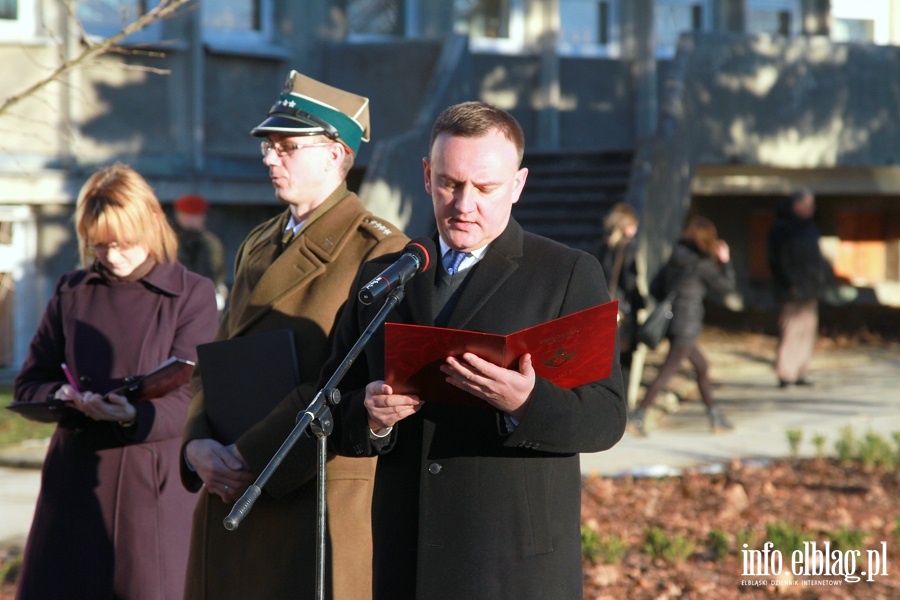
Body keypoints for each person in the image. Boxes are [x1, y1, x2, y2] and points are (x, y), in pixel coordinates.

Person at [317, 101, 626, 599]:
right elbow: (331, 404)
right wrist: (371, 416)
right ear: (426, 174)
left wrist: (525, 403)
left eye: (485, 189)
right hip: (408, 554)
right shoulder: (384, 276)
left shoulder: (566, 274)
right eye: (449, 183)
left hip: (510, 561)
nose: (463, 204)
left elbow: (606, 417)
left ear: (518, 185)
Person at [180, 70, 407, 600]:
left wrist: (246, 458)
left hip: (306, 490)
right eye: (268, 146)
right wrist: (197, 446)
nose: (268, 157)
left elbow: (356, 384)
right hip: (230, 484)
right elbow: (215, 358)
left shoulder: (377, 249)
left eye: (286, 146)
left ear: (335, 153)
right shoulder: (259, 242)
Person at [13, 164, 219, 599]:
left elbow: (196, 393)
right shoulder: (72, 291)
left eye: (125, 243)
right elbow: (31, 382)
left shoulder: (191, 293)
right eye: (101, 245)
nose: (114, 256)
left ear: (151, 227)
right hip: (77, 479)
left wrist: (135, 413)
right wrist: (61, 395)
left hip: (153, 482)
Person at [629, 216, 736, 436]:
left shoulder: (676, 256)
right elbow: (726, 288)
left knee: (701, 367)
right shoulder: (703, 264)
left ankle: (715, 416)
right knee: (667, 372)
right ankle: (638, 416)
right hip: (686, 324)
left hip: (673, 321)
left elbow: (656, 287)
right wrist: (725, 261)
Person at [767, 189, 829, 388]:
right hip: (791, 290)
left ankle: (802, 371)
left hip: (811, 289)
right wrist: (789, 283)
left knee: (808, 331)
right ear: (797, 206)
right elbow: (776, 261)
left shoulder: (811, 227)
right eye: (809, 204)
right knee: (791, 331)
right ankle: (786, 374)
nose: (813, 208)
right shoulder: (781, 228)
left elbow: (817, 258)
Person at [594, 202, 644, 392]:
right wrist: (641, 303)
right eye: (633, 225)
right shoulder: (628, 248)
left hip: (601, 309)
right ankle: (622, 409)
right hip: (622, 313)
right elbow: (630, 281)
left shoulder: (600, 246)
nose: (635, 229)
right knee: (624, 363)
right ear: (625, 225)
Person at [172, 193, 228, 309]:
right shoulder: (170, 241)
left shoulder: (211, 242)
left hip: (203, 298)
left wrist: (219, 292)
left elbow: (218, 273)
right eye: (190, 215)